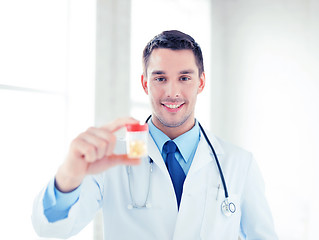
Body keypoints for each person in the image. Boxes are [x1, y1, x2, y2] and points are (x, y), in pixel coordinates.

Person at [32, 30, 278, 239]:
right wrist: (67, 176)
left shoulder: (239, 163)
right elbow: (52, 229)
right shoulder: (109, 160)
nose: (172, 92)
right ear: (144, 83)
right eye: (160, 78)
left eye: (185, 78)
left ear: (201, 82)